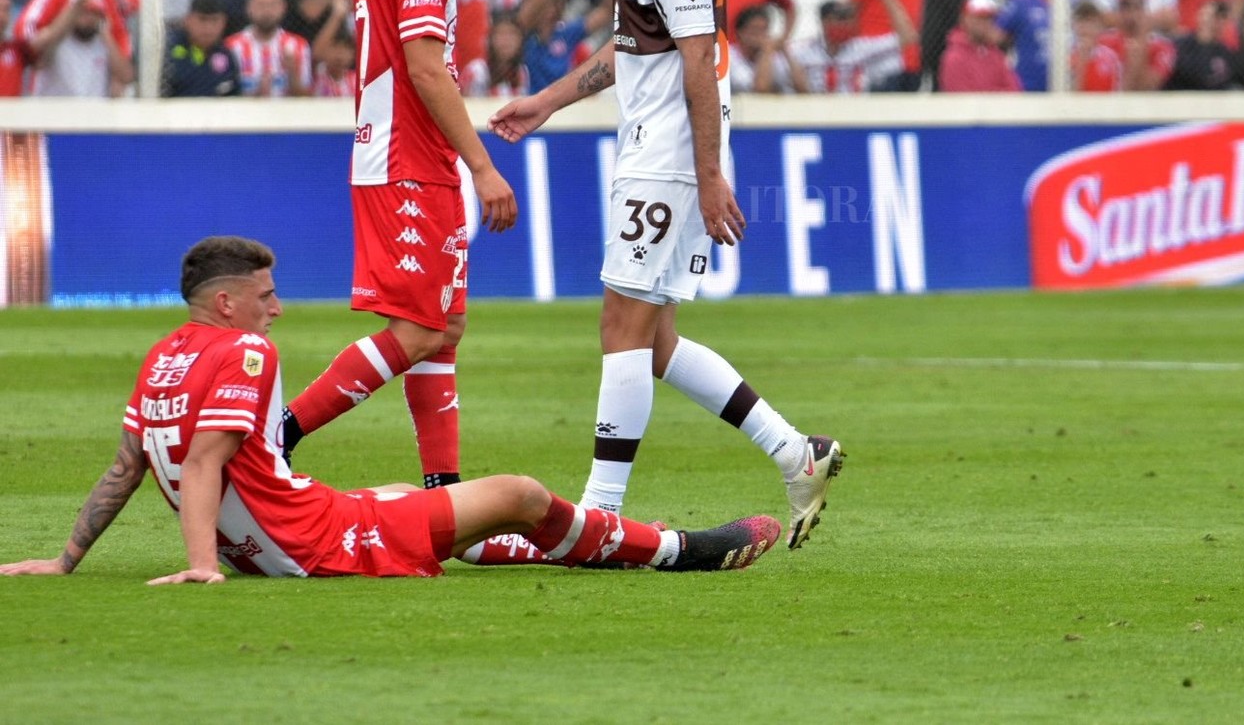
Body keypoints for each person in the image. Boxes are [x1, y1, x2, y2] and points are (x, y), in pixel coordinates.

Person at [489, 0, 842, 550]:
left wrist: (707, 173)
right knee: (653, 340)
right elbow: (632, 49)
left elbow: (699, 60)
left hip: (670, 155)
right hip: (658, 147)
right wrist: (546, 101)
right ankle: (795, 450)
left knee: (621, 322)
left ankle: (600, 513)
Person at [0, 236, 780, 581]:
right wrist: (201, 566)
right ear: (229, 301)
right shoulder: (246, 351)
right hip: (321, 542)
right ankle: (681, 549)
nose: (278, 309)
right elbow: (205, 459)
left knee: (431, 505)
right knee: (518, 494)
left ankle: (562, 548)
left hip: (285, 533)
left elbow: (125, 467)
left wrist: (66, 559)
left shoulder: (162, 356)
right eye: (266, 296)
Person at [280, 0, 521, 493]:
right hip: (405, 158)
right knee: (416, 329)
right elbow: (424, 68)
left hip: (414, 155)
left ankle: (444, 488)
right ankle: (280, 433)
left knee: (445, 326)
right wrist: (482, 164)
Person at [792, 0, 905, 93]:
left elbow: (907, 36)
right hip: (814, 110)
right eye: (841, 19)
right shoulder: (803, 51)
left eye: (850, 19)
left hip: (853, 111)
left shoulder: (861, 48)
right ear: (824, 21)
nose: (846, 24)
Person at [162, 0, 239, 97]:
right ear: (188, 20)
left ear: (223, 22)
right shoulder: (168, 51)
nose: (208, 28)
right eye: (202, 20)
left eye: (214, 20)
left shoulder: (225, 55)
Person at [939, 0, 1018, 92]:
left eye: (989, 18)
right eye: (980, 18)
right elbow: (962, 99)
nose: (985, 23)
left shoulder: (996, 54)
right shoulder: (954, 57)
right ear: (965, 19)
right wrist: (997, 93)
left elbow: (1014, 90)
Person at [995, 0, 1049, 91]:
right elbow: (996, 36)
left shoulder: (1073, 3)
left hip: (1066, 88)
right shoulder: (1020, 2)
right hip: (1028, 88)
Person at [729, 2, 805, 93]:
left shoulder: (774, 55)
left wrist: (786, 52)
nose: (759, 35)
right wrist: (766, 51)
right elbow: (761, 88)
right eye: (754, 29)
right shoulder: (730, 56)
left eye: (763, 29)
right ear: (740, 32)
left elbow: (803, 89)